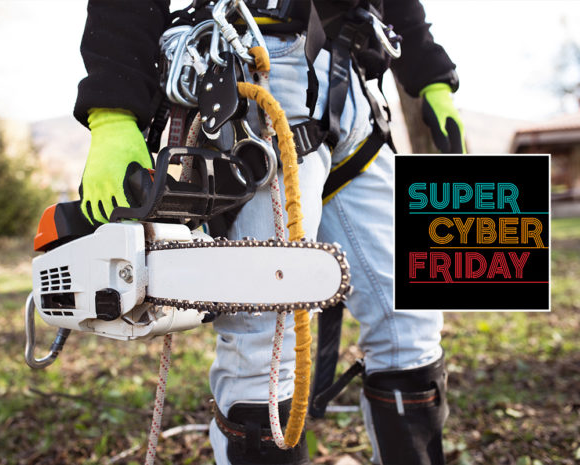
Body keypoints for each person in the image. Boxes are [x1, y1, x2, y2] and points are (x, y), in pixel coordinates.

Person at [73, 1, 466, 464]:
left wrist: (432, 76)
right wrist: (113, 113)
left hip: (355, 84)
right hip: (257, 67)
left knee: (411, 327)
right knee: (263, 354)